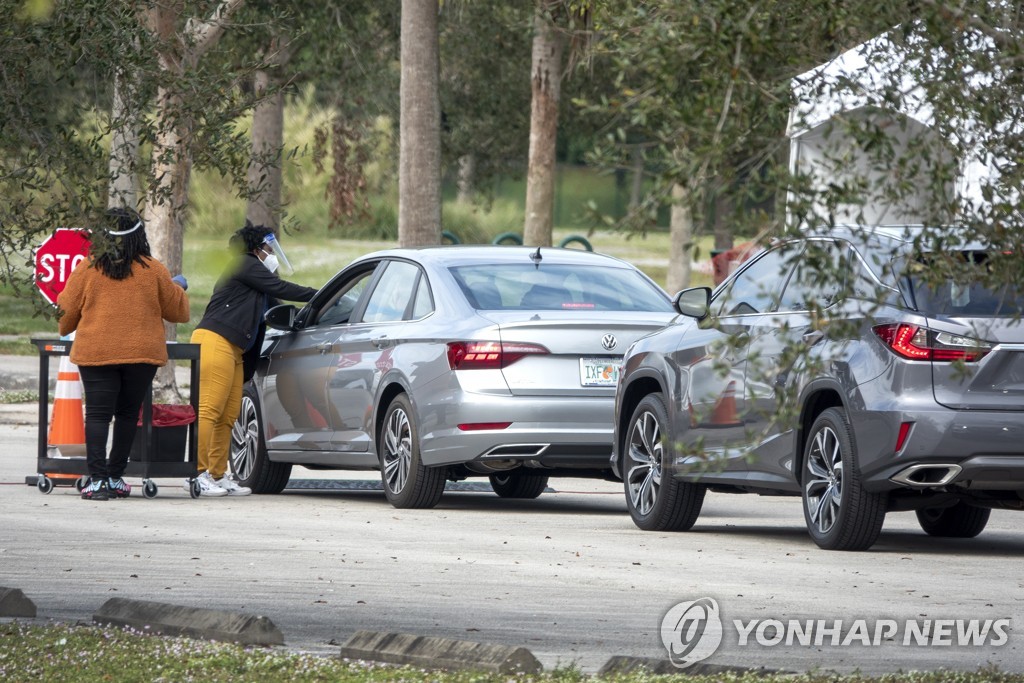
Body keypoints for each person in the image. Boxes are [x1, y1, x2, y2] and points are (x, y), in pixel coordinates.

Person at [56, 208, 190, 501]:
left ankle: (97, 481)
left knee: (98, 414)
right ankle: (116, 477)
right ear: (139, 235)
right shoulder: (153, 269)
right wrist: (178, 286)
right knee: (128, 414)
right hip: (141, 354)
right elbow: (178, 311)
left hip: (97, 352)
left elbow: (65, 314)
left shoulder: (88, 268)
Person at [189, 222, 318, 497]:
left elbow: (280, 310)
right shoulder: (244, 264)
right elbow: (285, 288)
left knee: (228, 416)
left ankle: (217, 474)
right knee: (210, 411)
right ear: (256, 248)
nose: (272, 252)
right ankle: (197, 474)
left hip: (235, 349)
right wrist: (320, 295)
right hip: (215, 340)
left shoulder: (259, 282)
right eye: (269, 247)